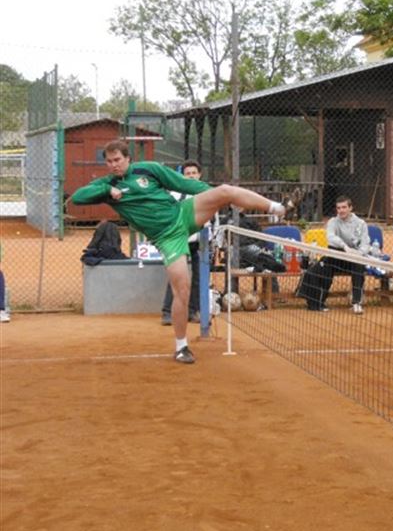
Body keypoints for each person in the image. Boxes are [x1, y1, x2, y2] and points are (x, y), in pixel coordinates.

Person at [71, 140, 285, 364]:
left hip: (183, 213)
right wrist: (108, 190)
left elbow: (183, 184)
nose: (114, 165)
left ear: (128, 159)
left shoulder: (148, 169)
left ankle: (277, 208)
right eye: (109, 161)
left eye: (118, 160)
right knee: (182, 289)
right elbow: (77, 198)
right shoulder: (107, 185)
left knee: (225, 191)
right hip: (167, 238)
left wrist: (213, 197)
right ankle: (181, 347)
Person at [316, 196, 382, 314]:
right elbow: (330, 237)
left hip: (355, 258)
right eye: (338, 208)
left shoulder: (361, 223)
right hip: (339, 257)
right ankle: (320, 302)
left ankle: (356, 303)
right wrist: (345, 247)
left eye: (344, 207)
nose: (341, 210)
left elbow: (365, 243)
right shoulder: (333, 222)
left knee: (358, 264)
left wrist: (358, 253)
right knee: (326, 263)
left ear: (350, 208)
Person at [161, 160, 204, 326]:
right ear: (182, 176)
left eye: (194, 173)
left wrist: (214, 241)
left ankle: (193, 311)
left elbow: (213, 219)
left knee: (198, 278)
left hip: (200, 243)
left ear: (199, 175)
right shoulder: (175, 195)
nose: (191, 176)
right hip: (179, 242)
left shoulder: (207, 193)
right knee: (177, 277)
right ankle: (167, 312)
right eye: (188, 174)